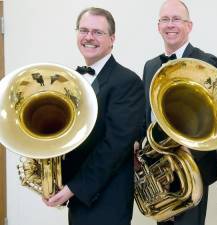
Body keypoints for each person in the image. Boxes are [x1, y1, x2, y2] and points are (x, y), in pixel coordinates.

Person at [43, 7, 145, 225]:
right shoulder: (69, 81)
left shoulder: (127, 82)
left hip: (107, 200)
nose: (89, 37)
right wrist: (53, 181)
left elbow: (114, 148)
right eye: (84, 30)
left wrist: (73, 188)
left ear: (112, 39)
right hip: (79, 197)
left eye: (97, 32)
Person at [142, 1, 217, 225]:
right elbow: (146, 115)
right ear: (158, 27)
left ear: (189, 25)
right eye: (165, 20)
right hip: (159, 170)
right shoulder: (150, 66)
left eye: (176, 19)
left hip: (191, 168)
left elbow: (214, 120)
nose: (170, 25)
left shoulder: (206, 61)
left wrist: (180, 163)